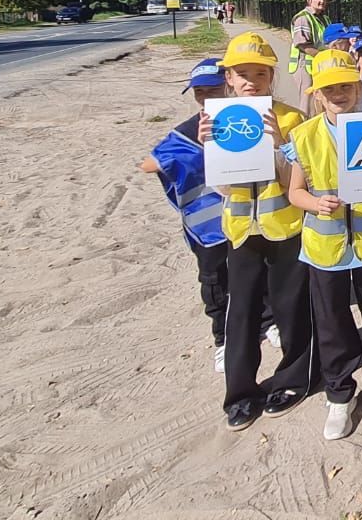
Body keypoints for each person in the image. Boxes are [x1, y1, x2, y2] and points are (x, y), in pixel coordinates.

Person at [286, 50, 362, 440]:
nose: (339, 93)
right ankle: (339, 393)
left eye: (346, 85)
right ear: (317, 96)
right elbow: (294, 192)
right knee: (332, 321)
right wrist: (315, 203)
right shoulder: (304, 136)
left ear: (358, 89)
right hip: (326, 250)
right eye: (330, 88)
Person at [202, 32, 313, 431]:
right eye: (242, 73)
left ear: (271, 75)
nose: (251, 80)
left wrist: (281, 144)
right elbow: (224, 187)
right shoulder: (218, 121)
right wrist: (210, 151)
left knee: (291, 307)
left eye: (260, 73)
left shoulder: (291, 119)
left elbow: (300, 180)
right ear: (229, 77)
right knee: (243, 313)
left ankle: (293, 379)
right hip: (242, 230)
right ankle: (241, 393)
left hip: (284, 227)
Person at [139, 57, 236, 372]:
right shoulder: (186, 133)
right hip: (205, 227)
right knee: (214, 280)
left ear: (228, 86)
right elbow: (149, 164)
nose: (207, 97)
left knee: (254, 272)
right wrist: (191, 154)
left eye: (214, 89)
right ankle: (222, 338)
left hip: (245, 217)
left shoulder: (245, 121)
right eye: (200, 92)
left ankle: (267, 320)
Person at [289, 0, 329, 115]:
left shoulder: (324, 18)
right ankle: (303, 132)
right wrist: (323, 57)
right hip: (304, 66)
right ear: (309, 0)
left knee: (319, 101)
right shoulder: (303, 18)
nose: (322, 1)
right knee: (307, 103)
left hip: (319, 65)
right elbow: (302, 44)